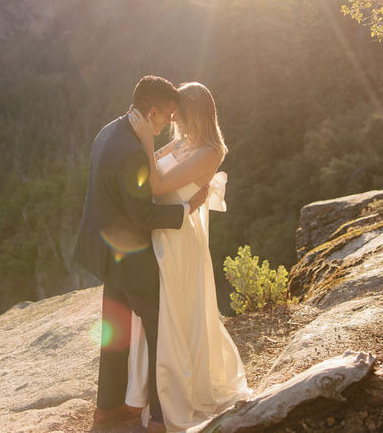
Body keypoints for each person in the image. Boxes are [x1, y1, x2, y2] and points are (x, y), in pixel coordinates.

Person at [73, 75, 208, 432]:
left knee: (115, 328)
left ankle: (108, 409)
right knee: (161, 327)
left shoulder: (110, 130)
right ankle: (162, 417)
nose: (170, 123)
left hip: (104, 250)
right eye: (167, 116)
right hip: (129, 256)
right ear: (151, 112)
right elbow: (144, 215)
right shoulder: (134, 151)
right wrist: (188, 208)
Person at [125, 82, 251, 432]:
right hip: (158, 233)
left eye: (178, 110)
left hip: (178, 243)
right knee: (159, 314)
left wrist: (147, 139)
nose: (173, 116)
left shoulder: (211, 150)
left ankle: (174, 395)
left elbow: (156, 184)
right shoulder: (181, 141)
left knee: (175, 314)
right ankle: (152, 392)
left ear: (195, 111)